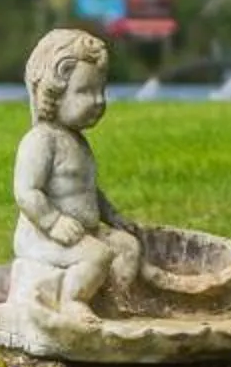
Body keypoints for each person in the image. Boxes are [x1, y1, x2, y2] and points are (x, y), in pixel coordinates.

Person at [12, 27, 154, 321]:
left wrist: (112, 216)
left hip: (82, 231)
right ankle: (72, 301)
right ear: (52, 94)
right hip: (44, 235)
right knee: (98, 255)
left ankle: (114, 301)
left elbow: (87, 189)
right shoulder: (41, 140)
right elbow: (26, 191)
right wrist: (53, 222)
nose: (99, 100)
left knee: (127, 246)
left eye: (101, 90)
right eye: (85, 91)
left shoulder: (76, 141)